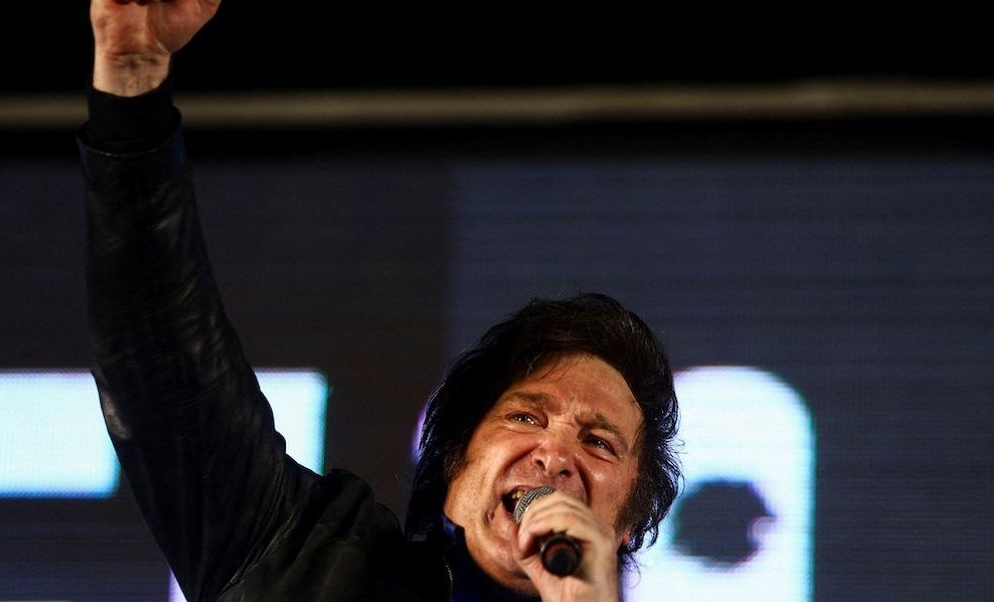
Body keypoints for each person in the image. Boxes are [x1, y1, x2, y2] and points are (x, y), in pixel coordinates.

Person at [81, 1, 680, 600]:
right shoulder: (295, 556)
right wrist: (131, 88)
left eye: (598, 444)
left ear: (625, 527)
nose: (553, 455)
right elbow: (167, 376)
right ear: (455, 462)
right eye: (525, 416)